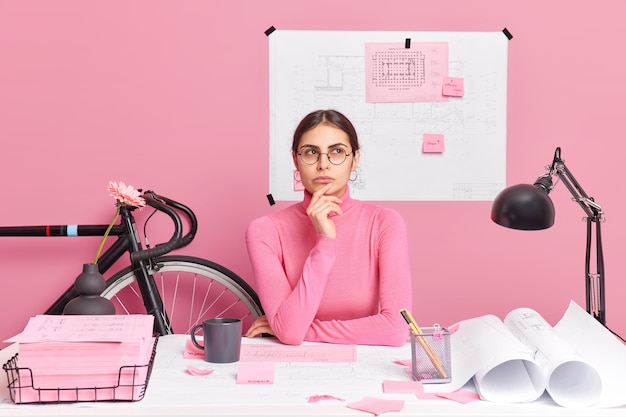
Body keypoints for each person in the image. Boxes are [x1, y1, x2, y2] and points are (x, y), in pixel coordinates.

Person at [245, 109, 412, 346]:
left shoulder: (385, 222)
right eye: (311, 153)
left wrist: (301, 330)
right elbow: (290, 332)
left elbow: (396, 330)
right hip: (291, 367)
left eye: (337, 152)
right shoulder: (264, 231)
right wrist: (325, 242)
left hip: (365, 365)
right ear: (295, 159)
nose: (323, 165)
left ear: (354, 160)